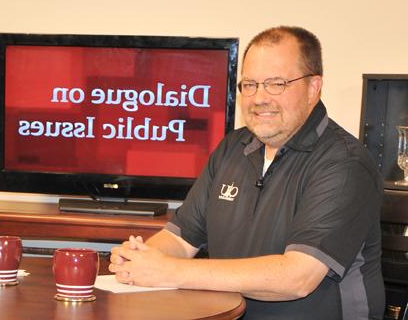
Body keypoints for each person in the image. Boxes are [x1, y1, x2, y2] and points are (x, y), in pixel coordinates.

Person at [109, 26, 384, 319]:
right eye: (250, 84)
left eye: (276, 84)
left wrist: (170, 271)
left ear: (313, 88)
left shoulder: (345, 163)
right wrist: (140, 261)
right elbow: (180, 239)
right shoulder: (233, 148)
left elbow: (297, 277)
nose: (259, 98)